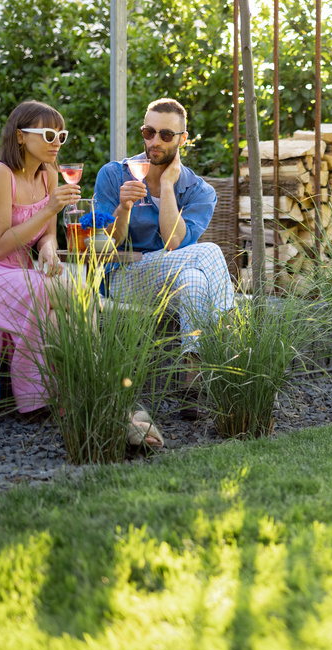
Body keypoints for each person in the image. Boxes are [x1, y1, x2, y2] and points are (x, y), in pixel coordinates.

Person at [93, 97, 235, 415]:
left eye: (166, 135)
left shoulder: (199, 191)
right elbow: (105, 245)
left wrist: (168, 186)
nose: (154, 142)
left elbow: (173, 243)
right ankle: (232, 332)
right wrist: (123, 207)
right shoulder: (114, 176)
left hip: (172, 282)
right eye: (148, 132)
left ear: (183, 139)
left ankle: (191, 378)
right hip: (124, 277)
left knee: (195, 279)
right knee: (209, 252)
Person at [0, 100, 80, 415]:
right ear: (20, 136)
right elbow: (1, 245)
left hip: (16, 272)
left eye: (62, 136)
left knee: (54, 318)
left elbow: (48, 235)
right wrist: (50, 208)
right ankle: (47, 396)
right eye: (49, 135)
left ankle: (49, 402)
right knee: (69, 294)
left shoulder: (49, 174)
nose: (56, 143)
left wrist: (49, 252)